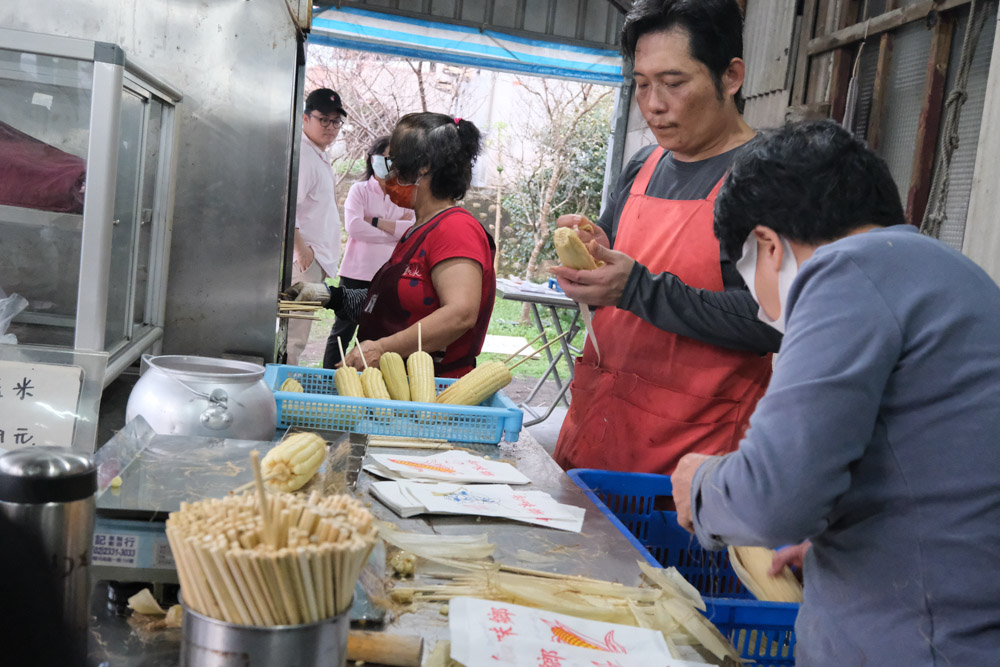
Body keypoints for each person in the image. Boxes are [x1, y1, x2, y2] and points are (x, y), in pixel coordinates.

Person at [671, 121, 1000, 664]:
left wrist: (702, 485)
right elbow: (946, 473)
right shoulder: (952, 275)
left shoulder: (844, 271)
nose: (762, 310)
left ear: (766, 245)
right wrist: (852, 536)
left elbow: (773, 496)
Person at [548, 0, 780, 476]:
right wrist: (591, 252)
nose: (654, 103)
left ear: (730, 77)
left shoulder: (767, 178)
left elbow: (770, 319)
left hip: (690, 462)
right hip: (599, 434)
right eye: (642, 84)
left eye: (674, 84)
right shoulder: (643, 166)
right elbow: (615, 266)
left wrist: (637, 289)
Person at [291, 113, 495, 378]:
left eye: (394, 163)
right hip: (393, 386)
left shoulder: (455, 230)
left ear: (423, 167)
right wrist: (331, 297)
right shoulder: (418, 229)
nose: (386, 173)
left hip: (428, 392)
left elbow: (461, 313)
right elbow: (391, 305)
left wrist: (381, 348)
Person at [322, 136, 415, 368]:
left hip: (388, 274)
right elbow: (354, 227)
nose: (389, 163)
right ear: (372, 160)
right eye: (384, 158)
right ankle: (330, 381)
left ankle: (366, 385)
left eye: (394, 158)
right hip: (356, 271)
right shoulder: (359, 190)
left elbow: (411, 229)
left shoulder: (405, 195)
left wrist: (373, 220)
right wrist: (393, 230)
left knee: (379, 334)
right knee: (342, 331)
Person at [286, 88, 347, 366]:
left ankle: (282, 385)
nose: (330, 127)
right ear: (305, 118)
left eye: (336, 122)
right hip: (304, 261)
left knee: (297, 332)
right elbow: (288, 208)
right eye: (323, 119)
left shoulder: (316, 154)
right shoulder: (305, 157)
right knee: (294, 335)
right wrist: (301, 251)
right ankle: (280, 391)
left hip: (312, 259)